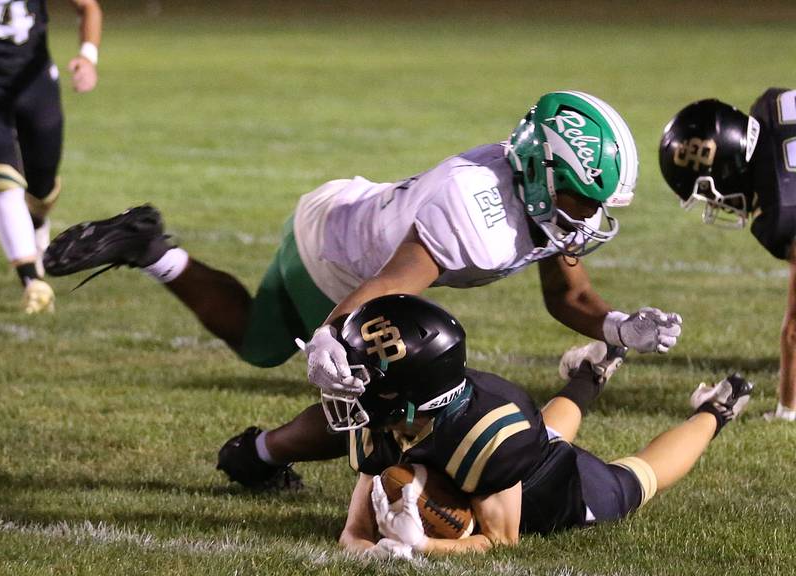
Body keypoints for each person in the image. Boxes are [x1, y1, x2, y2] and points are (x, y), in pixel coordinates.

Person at [45, 90, 682, 488]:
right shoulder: (473, 213)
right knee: (364, 396)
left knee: (304, 364)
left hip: (368, 239)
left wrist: (617, 326)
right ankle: (256, 456)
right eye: (580, 196)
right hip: (336, 253)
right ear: (542, 172)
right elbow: (386, 287)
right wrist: (328, 338)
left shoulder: (537, 193)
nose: (588, 216)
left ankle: (151, 249)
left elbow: (567, 295)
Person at [330, 294, 752, 558]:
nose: (350, 387)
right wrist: (368, 551)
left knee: (636, 479)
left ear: (410, 389)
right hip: (513, 445)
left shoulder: (487, 433)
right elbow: (355, 530)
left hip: (554, 489)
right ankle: (590, 373)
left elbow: (501, 541)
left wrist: (423, 546)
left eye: (364, 377)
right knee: (542, 436)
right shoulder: (383, 412)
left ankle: (717, 409)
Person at [659, 88, 796, 421]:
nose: (717, 202)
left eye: (708, 191)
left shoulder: (785, 206)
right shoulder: (773, 106)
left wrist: (788, 409)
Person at [0, 0, 102, 313]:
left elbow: (88, 7)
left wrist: (87, 57)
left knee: (41, 184)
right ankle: (33, 281)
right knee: (3, 179)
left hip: (35, 82)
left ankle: (37, 222)